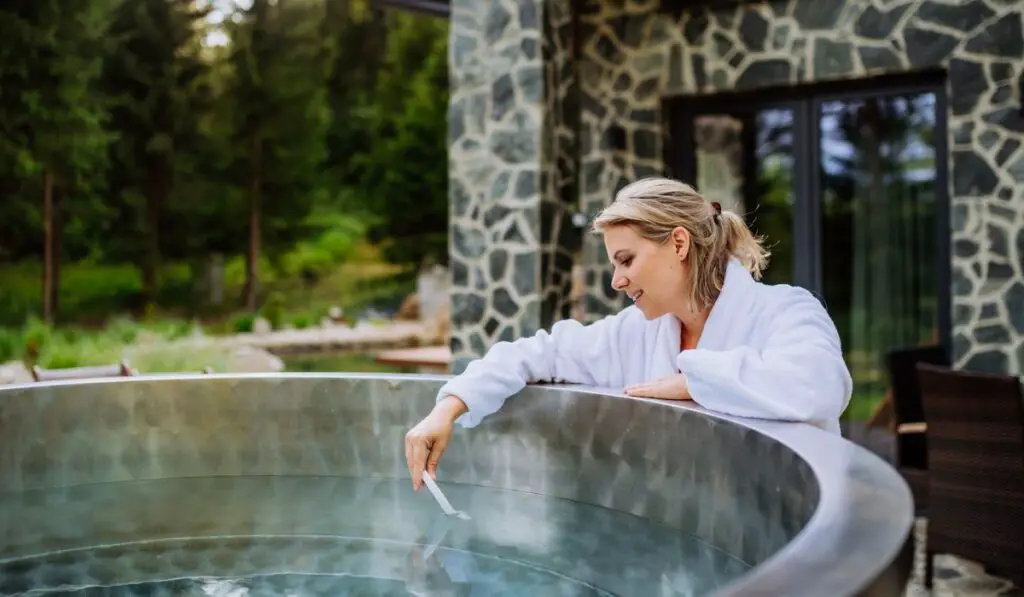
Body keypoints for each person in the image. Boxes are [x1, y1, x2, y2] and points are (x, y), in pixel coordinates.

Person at [404, 177, 853, 490]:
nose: (616, 281)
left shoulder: (785, 310)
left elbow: (819, 384)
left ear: (679, 244)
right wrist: (449, 407)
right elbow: (542, 352)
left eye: (626, 260)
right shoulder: (638, 331)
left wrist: (692, 381)